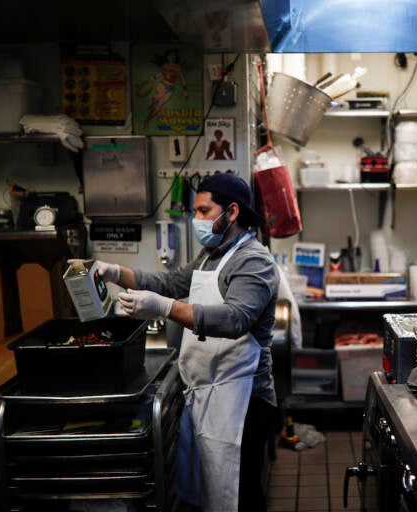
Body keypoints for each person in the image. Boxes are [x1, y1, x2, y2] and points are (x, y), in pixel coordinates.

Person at [70, 173, 279, 512]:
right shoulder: (211, 255)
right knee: (210, 492)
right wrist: (112, 272)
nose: (196, 219)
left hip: (243, 400)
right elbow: (168, 282)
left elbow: (235, 318)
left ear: (233, 212)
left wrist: (164, 308)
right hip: (209, 393)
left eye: (203, 210)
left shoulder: (253, 260)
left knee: (240, 496)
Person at [143, 49, 188, 129]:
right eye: (170, 55)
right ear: (167, 56)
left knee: (159, 106)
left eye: (174, 55)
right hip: (163, 84)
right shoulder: (165, 65)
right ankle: (153, 103)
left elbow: (182, 78)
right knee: (159, 95)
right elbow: (161, 74)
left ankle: (147, 121)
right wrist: (155, 77)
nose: (172, 57)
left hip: (170, 88)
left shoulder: (177, 67)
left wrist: (185, 90)